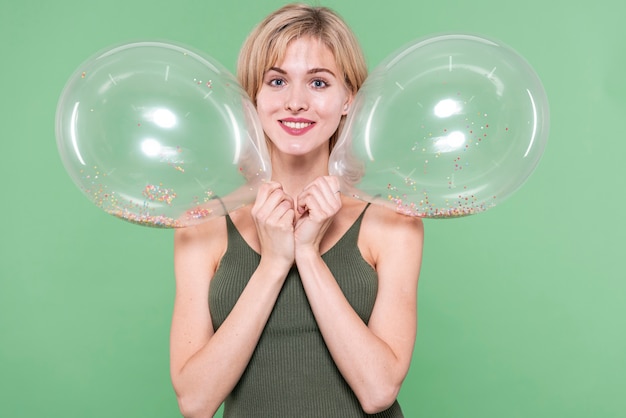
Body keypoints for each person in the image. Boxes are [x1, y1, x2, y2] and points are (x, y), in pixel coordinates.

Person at [169, 3, 424, 417]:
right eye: (276, 80)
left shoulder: (393, 222)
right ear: (252, 96)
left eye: (319, 83)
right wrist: (273, 262)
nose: (296, 102)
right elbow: (195, 401)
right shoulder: (203, 226)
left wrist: (307, 253)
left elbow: (378, 390)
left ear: (348, 100)